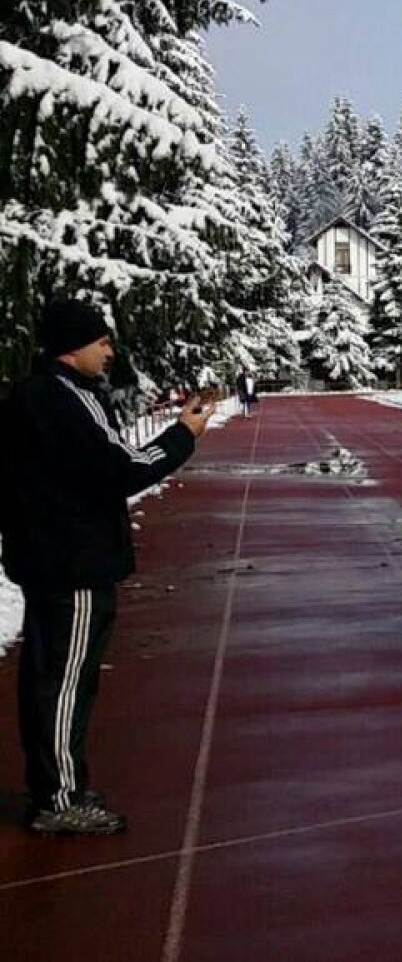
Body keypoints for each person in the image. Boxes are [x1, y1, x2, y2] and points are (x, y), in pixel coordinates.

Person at [0, 298, 215, 835]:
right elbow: (118, 469)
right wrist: (183, 435)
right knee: (66, 681)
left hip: (50, 557)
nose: (109, 351)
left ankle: (55, 784)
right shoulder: (65, 399)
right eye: (101, 342)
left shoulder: (33, 398)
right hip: (73, 563)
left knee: (50, 676)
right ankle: (60, 798)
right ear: (73, 347)